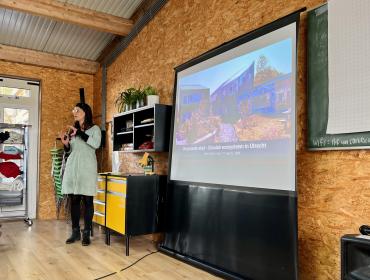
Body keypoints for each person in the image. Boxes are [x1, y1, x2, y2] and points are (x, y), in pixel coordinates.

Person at [60, 103, 101, 246]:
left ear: (85, 112)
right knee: (75, 200)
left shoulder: (95, 129)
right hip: (73, 168)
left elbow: (96, 144)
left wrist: (79, 133)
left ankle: (86, 233)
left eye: (77, 110)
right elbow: (70, 151)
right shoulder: (73, 131)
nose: (74, 112)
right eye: (74, 110)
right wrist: (66, 144)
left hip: (87, 168)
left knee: (88, 201)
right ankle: (75, 232)